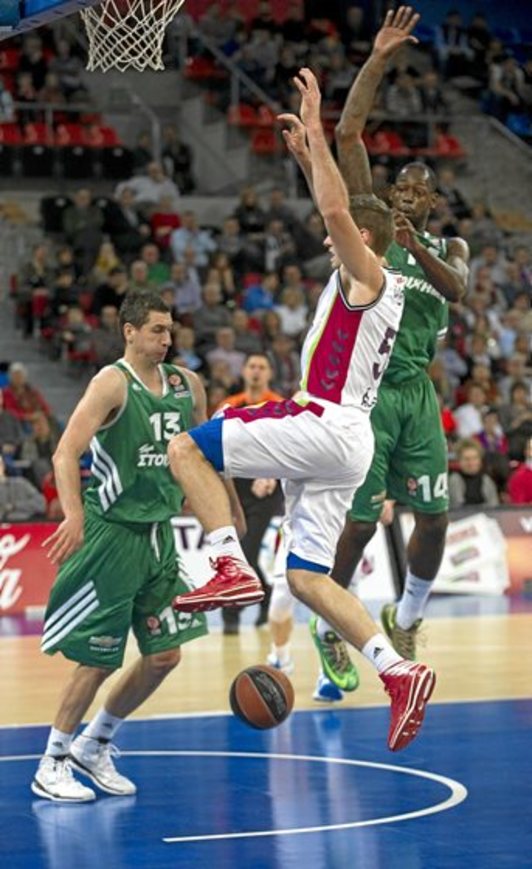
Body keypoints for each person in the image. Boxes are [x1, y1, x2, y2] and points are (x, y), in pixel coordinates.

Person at [167, 68, 435, 753]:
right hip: (349, 441)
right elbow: (338, 209)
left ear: (362, 238)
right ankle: (397, 670)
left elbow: (340, 212)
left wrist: (318, 132)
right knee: (308, 577)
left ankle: (227, 562)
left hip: (324, 420)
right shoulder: (373, 281)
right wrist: (308, 159)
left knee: (186, 448)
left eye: (338, 230)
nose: (325, 233)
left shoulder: (369, 274)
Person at [308, 6, 469, 695]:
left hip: (418, 396)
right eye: (398, 185)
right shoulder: (372, 225)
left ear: (433, 200)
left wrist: (417, 248)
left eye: (417, 189)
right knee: (361, 523)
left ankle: (406, 618)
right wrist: (377, 59)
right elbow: (348, 133)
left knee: (435, 517)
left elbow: (457, 288)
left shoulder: (448, 248)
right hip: (367, 394)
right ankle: (331, 624)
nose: (405, 193)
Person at [31, 290, 239, 803]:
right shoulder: (111, 383)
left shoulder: (187, 384)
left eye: (170, 330)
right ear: (129, 331)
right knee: (99, 659)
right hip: (113, 533)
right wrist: (74, 514)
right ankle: (51, 762)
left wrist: (227, 509)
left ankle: (94, 744)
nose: (167, 339)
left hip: (158, 535)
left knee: (164, 655)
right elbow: (65, 453)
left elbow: (207, 455)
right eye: (156, 330)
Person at [217, 353, 285, 636]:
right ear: (244, 372)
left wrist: (271, 475)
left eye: (262, 367)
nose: (256, 371)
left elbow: (289, 447)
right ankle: (265, 596)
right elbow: (216, 445)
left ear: (269, 373)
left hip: (264, 490)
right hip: (236, 487)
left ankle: (231, 614)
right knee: (235, 551)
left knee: (247, 551)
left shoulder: (279, 405)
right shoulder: (229, 405)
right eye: (252, 366)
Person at [448, 439, 499, 509]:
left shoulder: (486, 480)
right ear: (459, 461)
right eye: (467, 459)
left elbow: (494, 507)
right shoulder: (455, 480)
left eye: (475, 458)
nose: (471, 463)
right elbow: (457, 507)